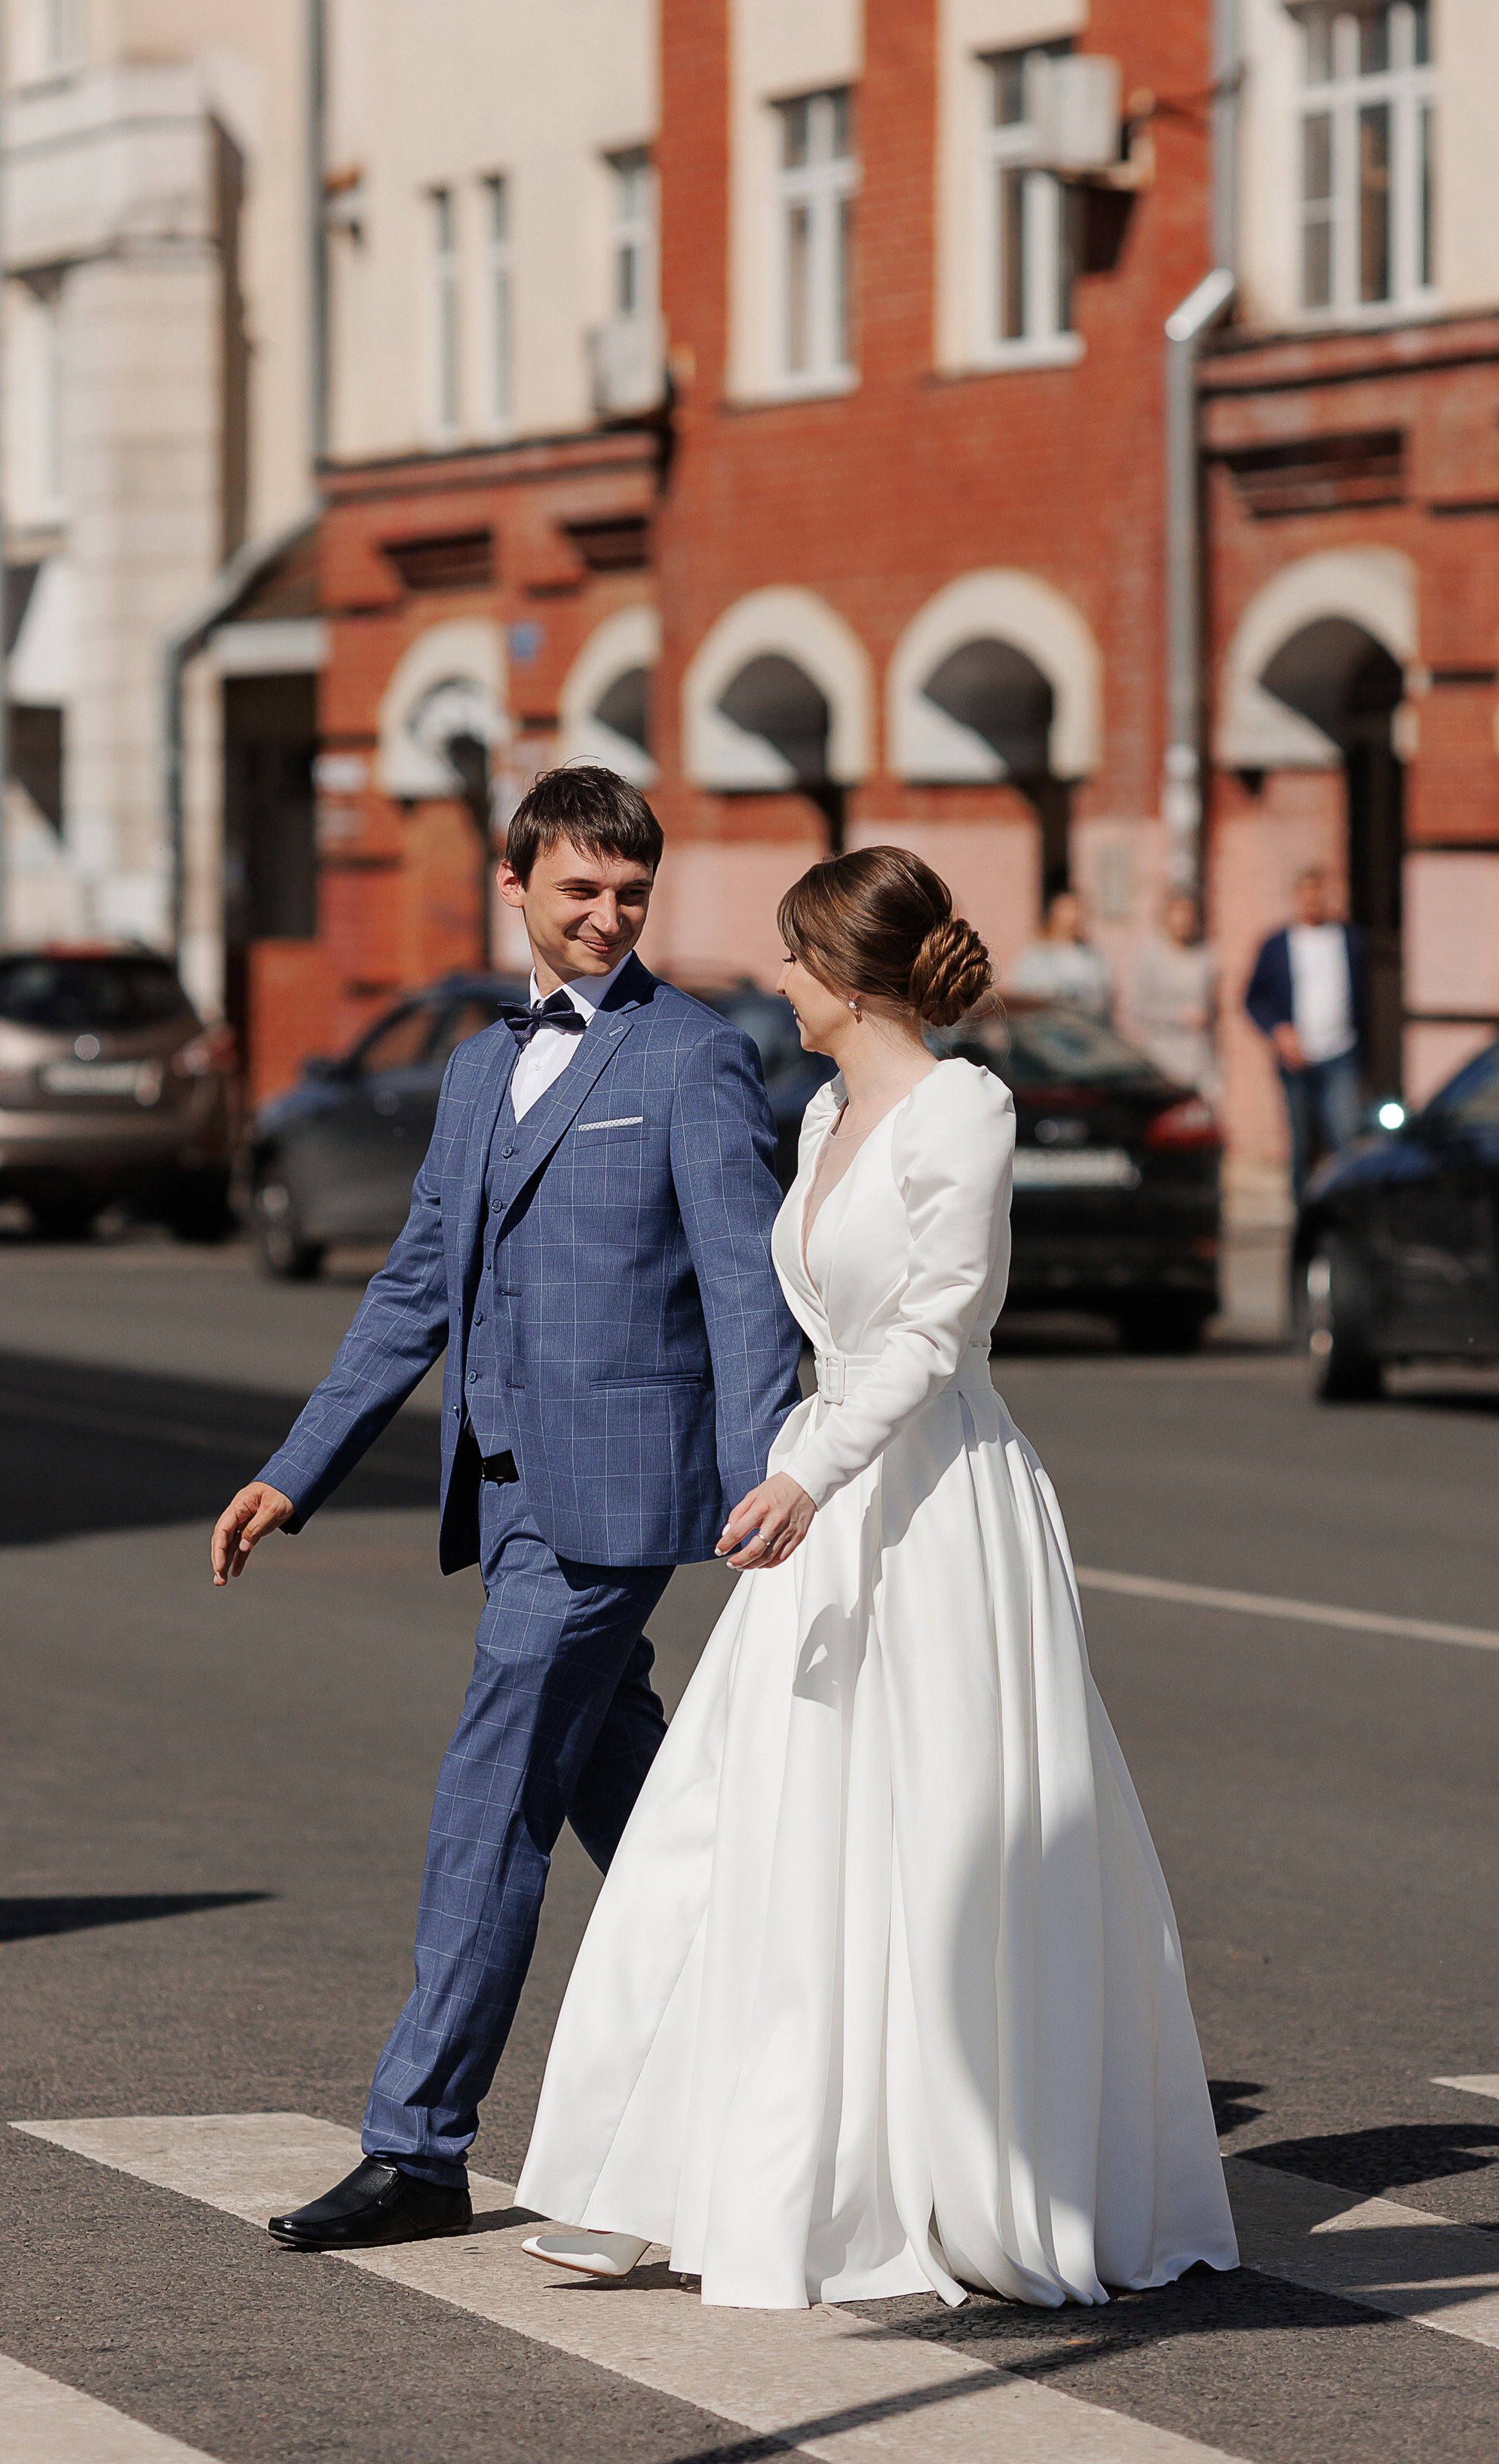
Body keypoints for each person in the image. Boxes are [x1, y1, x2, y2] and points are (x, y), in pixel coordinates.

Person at [517, 846, 1237, 2310]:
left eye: (789, 956)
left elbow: (929, 1329)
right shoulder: (828, 1106)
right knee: (743, 1825)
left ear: (844, 975)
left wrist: (801, 1473)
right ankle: (663, 2171)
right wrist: (783, 1464)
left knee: (938, 1836)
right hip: (826, 1493)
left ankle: (950, 2178)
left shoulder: (960, 1109)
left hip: (930, 1504)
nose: (773, 980)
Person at [210, 765, 799, 2256]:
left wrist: (772, 1491)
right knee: (670, 1827)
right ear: (515, 885)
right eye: (578, 891)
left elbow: (744, 1293)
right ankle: (814, 2050)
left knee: (487, 1810)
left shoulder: (693, 1057)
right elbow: (415, 1286)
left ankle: (416, 2148)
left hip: (613, 1509)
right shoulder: (477, 1068)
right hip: (508, 1491)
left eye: (630, 894)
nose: (605, 916)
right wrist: (298, 1468)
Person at [1243, 866, 1369, 1201]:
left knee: (1346, 1140)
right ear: (1297, 898)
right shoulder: (1276, 944)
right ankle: (1302, 1219)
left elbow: (1364, 999)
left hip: (1340, 1054)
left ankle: (1346, 1213)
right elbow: (1252, 999)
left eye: (1319, 893)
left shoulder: (1349, 939)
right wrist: (1279, 1031)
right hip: (1296, 1060)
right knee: (1301, 1145)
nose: (1313, 900)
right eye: (1306, 893)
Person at [1130, 888, 1220, 1093]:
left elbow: (1216, 1008)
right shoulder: (1150, 957)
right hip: (1162, 1057)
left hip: (1199, 1056)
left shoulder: (1206, 957)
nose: (1183, 919)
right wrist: (1177, 1016)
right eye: (1177, 912)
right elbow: (1138, 1008)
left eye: (1188, 913)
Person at [1009, 887, 1114, 1017]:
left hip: (1086, 1029)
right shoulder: (1036, 954)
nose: (1073, 917)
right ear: (1055, 915)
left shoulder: (1093, 956)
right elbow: (1022, 995)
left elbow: (1104, 998)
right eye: (1068, 911)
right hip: (1048, 1029)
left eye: (1077, 911)